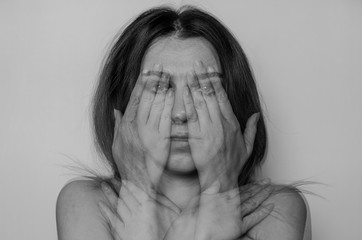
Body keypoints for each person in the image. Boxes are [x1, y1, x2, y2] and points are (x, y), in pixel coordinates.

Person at [56, 5, 310, 240]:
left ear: (233, 102)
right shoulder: (85, 203)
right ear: (123, 105)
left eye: (204, 88)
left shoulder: (277, 208)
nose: (180, 113)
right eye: (158, 88)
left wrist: (217, 194)